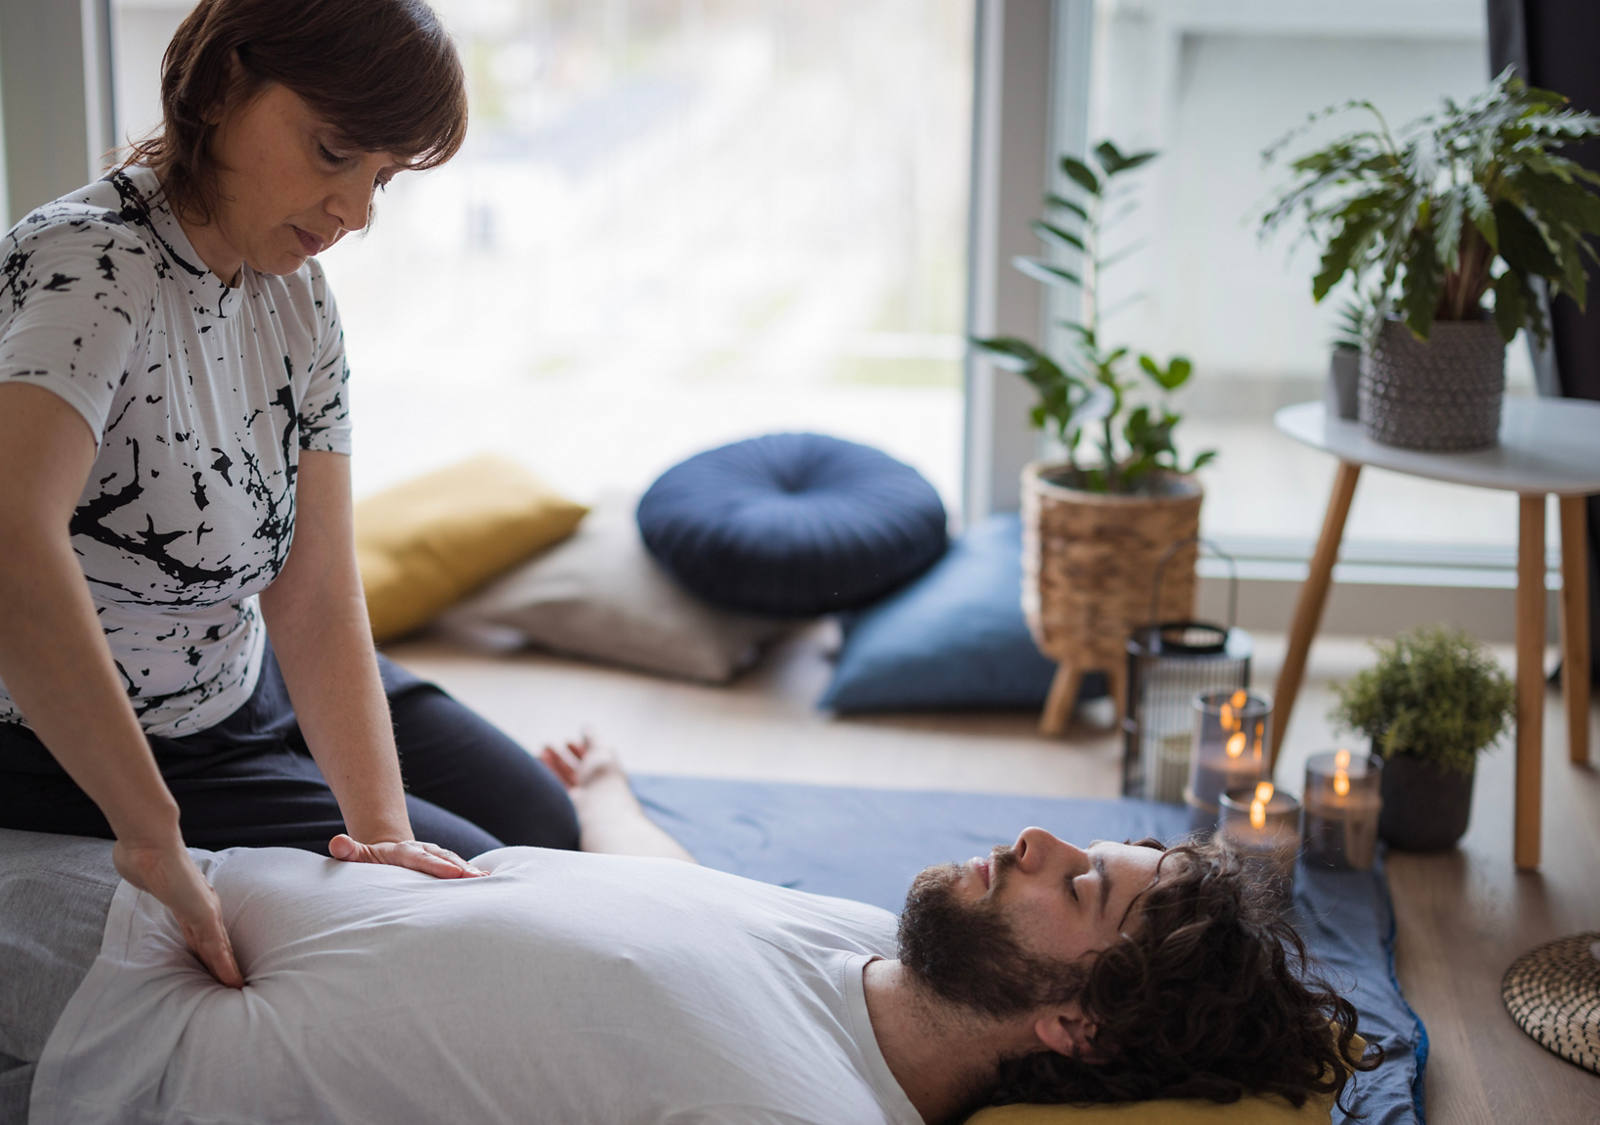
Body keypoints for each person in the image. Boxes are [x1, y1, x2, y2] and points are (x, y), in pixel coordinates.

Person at [0, 0, 580, 992]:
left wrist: (382, 834)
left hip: (242, 672)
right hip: (100, 740)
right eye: (335, 152)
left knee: (536, 825)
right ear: (224, 85)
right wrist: (151, 837)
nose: (356, 211)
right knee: (472, 905)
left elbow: (313, 582)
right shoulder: (87, 266)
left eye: (382, 178)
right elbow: (10, 539)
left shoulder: (296, 295)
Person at [14, 743, 1378, 1125]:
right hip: (183, 882)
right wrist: (604, 792)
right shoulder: (873, 951)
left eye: (1081, 888)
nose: (1037, 841)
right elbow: (676, 890)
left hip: (99, 1028)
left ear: (1073, 1024)